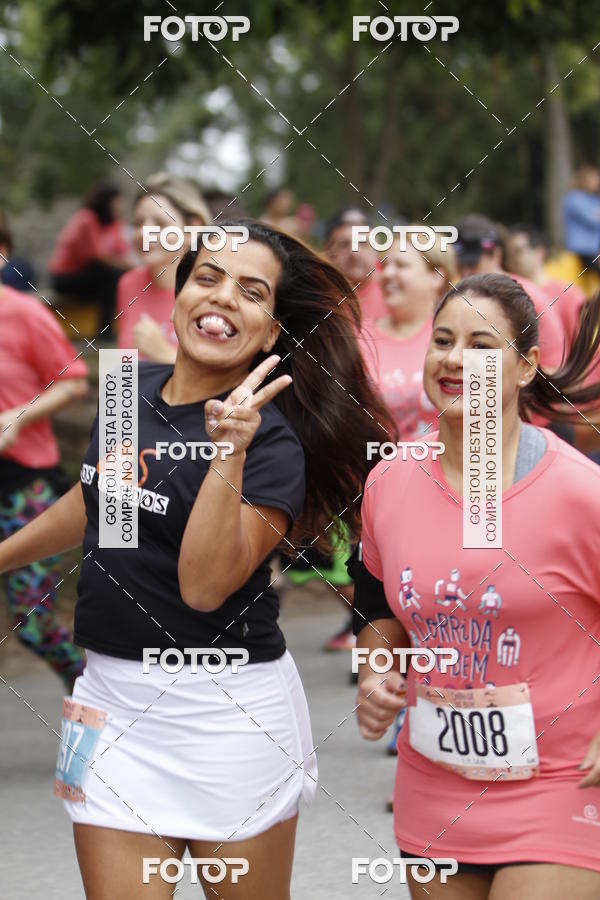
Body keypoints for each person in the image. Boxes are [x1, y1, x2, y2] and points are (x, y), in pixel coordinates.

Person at [0, 220, 394, 899]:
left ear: (272, 332)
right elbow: (99, 500)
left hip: (227, 717)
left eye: (251, 290)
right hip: (111, 704)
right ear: (179, 296)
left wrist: (229, 452)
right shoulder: (126, 390)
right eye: (207, 278)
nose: (221, 298)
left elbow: (206, 586)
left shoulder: (271, 442)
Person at [353, 272, 600, 898]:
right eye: (442, 340)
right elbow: (381, 602)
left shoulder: (578, 492)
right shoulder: (390, 481)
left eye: (482, 346)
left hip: (563, 782)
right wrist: (377, 670)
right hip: (436, 783)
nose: (455, 359)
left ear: (525, 367)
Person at [0, 238, 89, 690]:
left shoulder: (25, 314)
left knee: (31, 620)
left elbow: (75, 382)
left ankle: (90, 687)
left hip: (24, 486)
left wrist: (18, 414)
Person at [365, 226, 459, 441]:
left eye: (401, 265)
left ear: (436, 277)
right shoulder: (359, 337)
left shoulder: (460, 338)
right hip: (374, 471)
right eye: (385, 265)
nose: (387, 274)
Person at [116, 172, 211, 363]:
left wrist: (164, 354)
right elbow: (120, 379)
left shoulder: (214, 291)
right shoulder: (128, 283)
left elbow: (227, 382)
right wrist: (113, 391)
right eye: (138, 223)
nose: (144, 232)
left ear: (194, 229)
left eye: (160, 224)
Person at [454, 215, 566, 371]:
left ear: (495, 255)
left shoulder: (530, 295)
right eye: (460, 266)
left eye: (473, 264)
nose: (465, 273)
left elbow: (554, 365)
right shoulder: (458, 297)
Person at [49, 184, 136, 334]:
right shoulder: (86, 219)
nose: (120, 207)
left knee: (123, 277)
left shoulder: (115, 224)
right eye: (118, 202)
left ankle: (123, 326)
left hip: (95, 279)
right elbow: (98, 255)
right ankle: (105, 330)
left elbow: (124, 252)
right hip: (67, 278)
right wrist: (127, 265)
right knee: (112, 275)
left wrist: (136, 268)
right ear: (106, 202)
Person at [504, 224, 586, 346]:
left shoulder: (569, 294)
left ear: (539, 251)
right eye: (508, 255)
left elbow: (583, 343)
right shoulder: (507, 296)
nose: (512, 259)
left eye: (518, 251)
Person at [323, 208, 388, 323]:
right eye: (344, 244)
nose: (354, 253)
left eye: (362, 243)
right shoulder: (317, 296)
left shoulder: (395, 290)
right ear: (327, 251)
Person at [563, 165, 600, 273]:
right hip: (582, 250)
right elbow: (593, 219)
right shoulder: (574, 198)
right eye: (594, 179)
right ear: (584, 180)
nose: (597, 182)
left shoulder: (594, 199)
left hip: (594, 250)